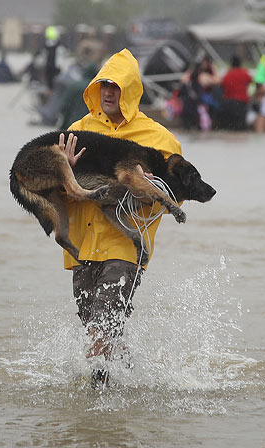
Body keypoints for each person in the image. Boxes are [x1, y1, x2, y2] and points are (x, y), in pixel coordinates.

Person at [59, 48, 182, 386]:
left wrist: (144, 188)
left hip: (126, 248)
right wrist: (65, 173)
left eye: (117, 86)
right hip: (81, 250)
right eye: (104, 85)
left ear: (130, 91)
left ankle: (97, 403)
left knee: (101, 332)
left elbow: (176, 190)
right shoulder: (78, 131)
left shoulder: (158, 138)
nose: (109, 92)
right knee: (97, 332)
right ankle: (133, 381)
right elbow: (56, 193)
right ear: (95, 88)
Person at [216, 55, 252, 131]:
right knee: (240, 129)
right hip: (241, 103)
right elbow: (250, 81)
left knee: (229, 128)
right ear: (240, 64)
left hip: (228, 103)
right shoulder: (244, 73)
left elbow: (222, 85)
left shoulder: (227, 75)